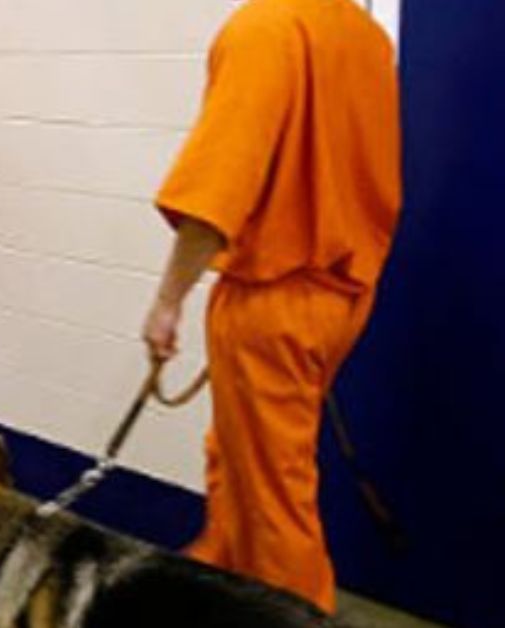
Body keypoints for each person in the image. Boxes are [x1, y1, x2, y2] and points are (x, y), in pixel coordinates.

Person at [143, 0, 401, 614]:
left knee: (272, 495)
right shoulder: (366, 38)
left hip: (274, 301)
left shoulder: (264, 28)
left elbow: (216, 189)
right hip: (342, 290)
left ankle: (291, 610)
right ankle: (223, 582)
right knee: (239, 457)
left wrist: (167, 301)